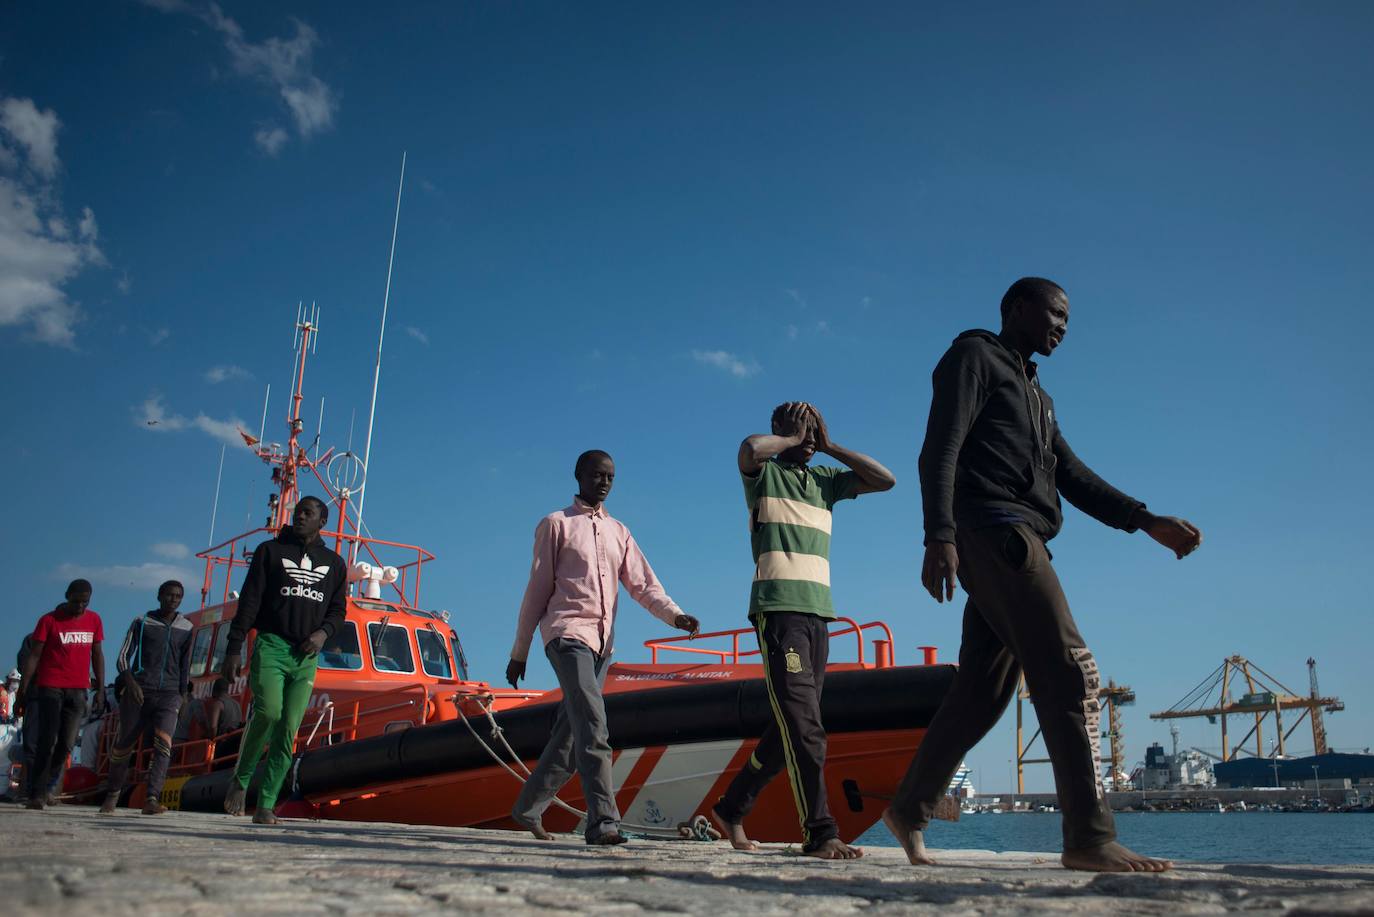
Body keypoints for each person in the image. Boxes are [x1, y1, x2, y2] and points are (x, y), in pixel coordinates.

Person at [883, 277, 1203, 873]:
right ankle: (1088, 837)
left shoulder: (1038, 395)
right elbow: (939, 448)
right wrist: (940, 535)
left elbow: (1072, 474)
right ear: (1015, 308)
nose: (1062, 325)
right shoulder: (974, 356)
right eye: (1054, 312)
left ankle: (910, 806)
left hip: (1019, 536)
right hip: (996, 532)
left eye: (1068, 319)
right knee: (1066, 668)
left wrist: (1145, 519)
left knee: (983, 692)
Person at [708, 402, 895, 860]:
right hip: (779, 613)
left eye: (815, 428)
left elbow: (885, 479)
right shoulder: (765, 475)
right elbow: (748, 450)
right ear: (782, 430)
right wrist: (792, 439)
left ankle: (731, 808)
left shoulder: (827, 482)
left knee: (789, 727)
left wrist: (829, 445)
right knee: (807, 727)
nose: (810, 436)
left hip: (819, 614)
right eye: (802, 428)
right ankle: (820, 831)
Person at [506, 450, 700, 845]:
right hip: (566, 635)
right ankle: (603, 822)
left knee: (571, 735)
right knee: (594, 724)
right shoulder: (555, 525)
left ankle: (527, 808)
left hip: (601, 645)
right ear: (578, 476)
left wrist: (675, 616)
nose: (604, 482)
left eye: (610, 476)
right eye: (596, 474)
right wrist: (519, 651)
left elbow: (644, 586)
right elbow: (536, 591)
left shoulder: (620, 533)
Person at [220, 495, 347, 825]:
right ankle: (241, 778)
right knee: (269, 711)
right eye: (298, 511)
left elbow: (338, 610)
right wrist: (234, 648)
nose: (300, 516)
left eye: (308, 513)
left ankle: (266, 804)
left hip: (306, 657)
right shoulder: (270, 552)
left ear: (323, 521)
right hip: (272, 645)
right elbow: (248, 602)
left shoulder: (335, 564)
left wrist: (323, 634)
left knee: (288, 727)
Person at [100, 581, 195, 815]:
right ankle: (112, 794)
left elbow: (186, 665)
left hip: (170, 694)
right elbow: (123, 658)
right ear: (159, 596)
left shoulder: (187, 628)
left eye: (179, 596)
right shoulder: (141, 623)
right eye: (170, 595)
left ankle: (152, 798)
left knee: (164, 745)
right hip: (139, 691)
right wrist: (131, 683)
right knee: (124, 745)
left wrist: (183, 697)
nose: (174, 599)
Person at [14, 579, 105, 809]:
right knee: (47, 740)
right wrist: (23, 691)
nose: (80, 607)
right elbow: (34, 656)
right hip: (50, 687)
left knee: (66, 743)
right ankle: (37, 792)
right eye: (76, 601)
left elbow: (97, 653)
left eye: (85, 602)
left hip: (78, 689)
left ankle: (47, 786)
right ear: (67, 596)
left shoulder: (94, 620)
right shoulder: (49, 620)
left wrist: (101, 689)